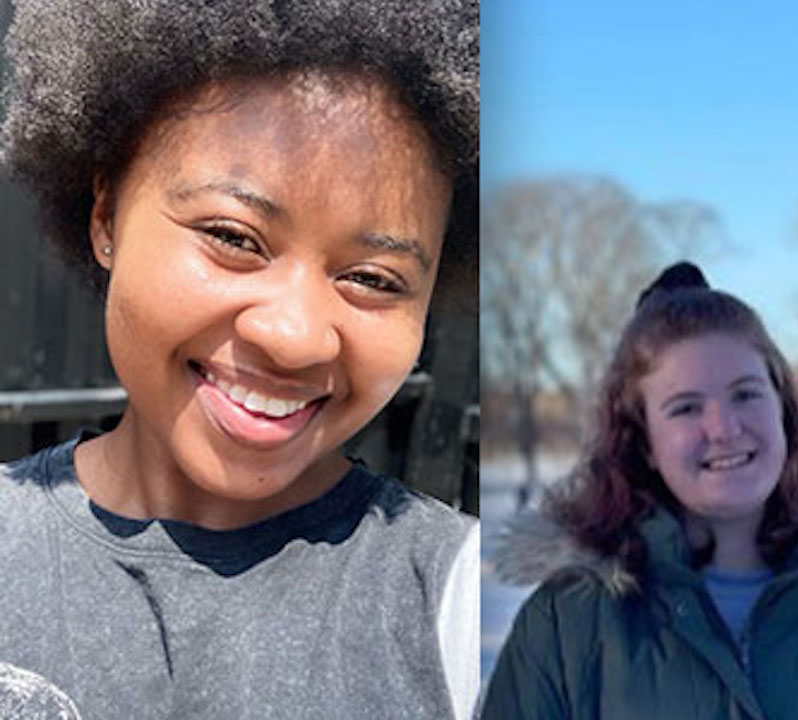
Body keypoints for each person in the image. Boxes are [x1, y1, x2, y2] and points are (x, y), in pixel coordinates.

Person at [0, 0, 480, 718]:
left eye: (374, 279)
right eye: (234, 236)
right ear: (106, 217)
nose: (295, 335)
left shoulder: (469, 611)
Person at [482, 262, 798, 720]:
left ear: (782, 409)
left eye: (745, 394)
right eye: (686, 408)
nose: (724, 428)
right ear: (643, 440)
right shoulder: (568, 623)